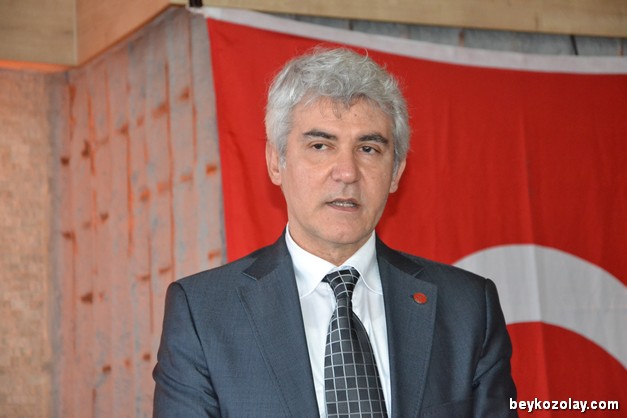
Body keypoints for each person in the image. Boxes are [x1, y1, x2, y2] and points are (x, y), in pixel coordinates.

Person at [153, 47, 517, 417]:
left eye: (368, 149)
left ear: (396, 172)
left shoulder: (468, 308)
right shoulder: (203, 314)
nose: (347, 172)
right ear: (275, 162)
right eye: (320, 146)